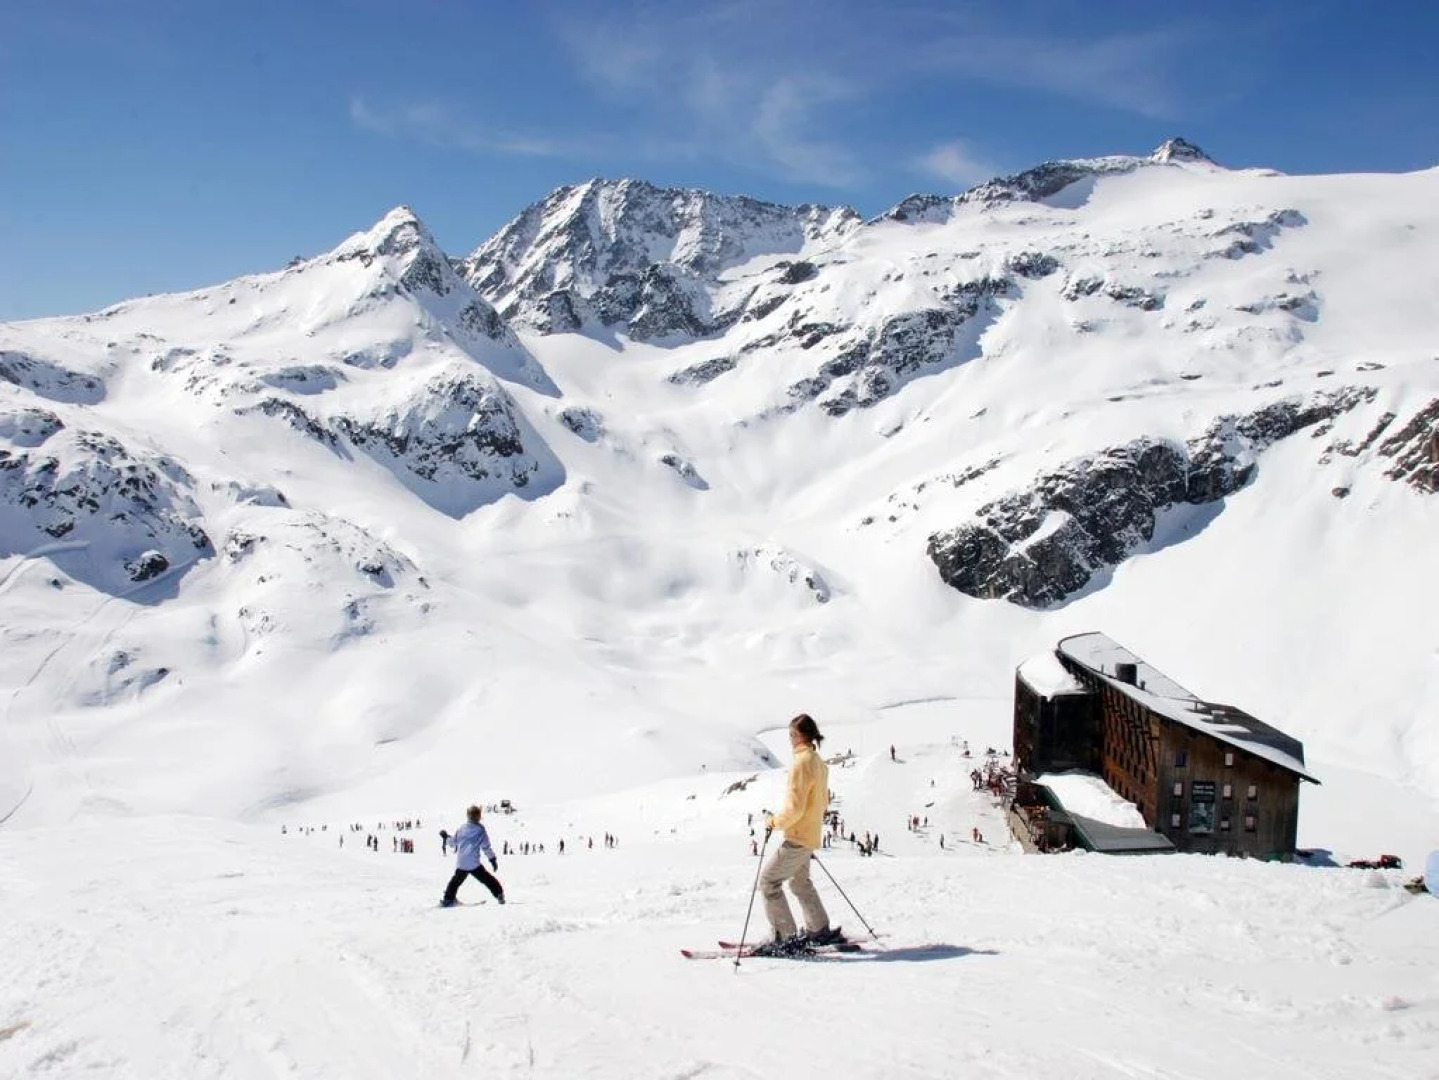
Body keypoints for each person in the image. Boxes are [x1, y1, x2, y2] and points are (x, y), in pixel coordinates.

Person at [755, 714, 842, 955]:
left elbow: (795, 807)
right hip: (810, 834)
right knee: (799, 882)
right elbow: (823, 800)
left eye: (791, 734)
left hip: (798, 836)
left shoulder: (802, 762)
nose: (790, 739)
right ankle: (818, 929)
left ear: (800, 735)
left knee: (768, 881)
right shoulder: (818, 762)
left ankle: (785, 937)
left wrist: (774, 821)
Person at [440, 805, 505, 907]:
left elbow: (453, 843)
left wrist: (446, 837)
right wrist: (492, 859)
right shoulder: (480, 829)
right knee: (487, 879)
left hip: (461, 863)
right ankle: (499, 894)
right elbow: (486, 847)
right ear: (478, 816)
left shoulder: (461, 828)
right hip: (474, 864)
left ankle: (448, 899)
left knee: (455, 882)